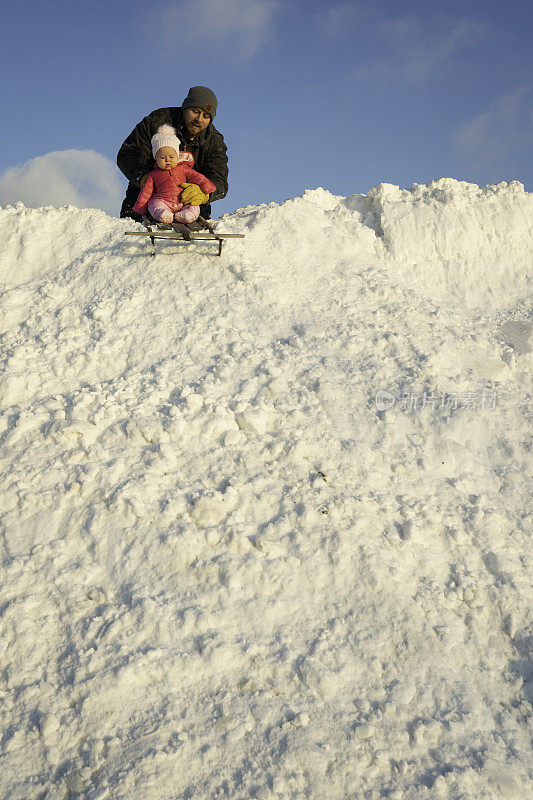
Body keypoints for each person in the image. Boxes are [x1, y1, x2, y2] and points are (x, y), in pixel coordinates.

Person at [117, 86, 228, 221]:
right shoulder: (157, 122)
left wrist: (205, 194)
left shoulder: (214, 142)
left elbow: (219, 179)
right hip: (144, 195)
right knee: (134, 238)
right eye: (195, 111)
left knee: (194, 239)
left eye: (206, 116)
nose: (199, 119)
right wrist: (145, 178)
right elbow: (128, 154)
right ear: (185, 108)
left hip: (189, 202)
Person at [132, 124, 216, 223]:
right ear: (156, 158)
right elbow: (146, 192)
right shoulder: (153, 174)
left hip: (183, 201)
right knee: (154, 203)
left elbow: (197, 177)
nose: (167, 160)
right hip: (163, 201)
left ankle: (187, 215)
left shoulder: (184, 169)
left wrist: (206, 187)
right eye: (162, 158)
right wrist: (140, 208)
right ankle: (163, 214)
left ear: (177, 156)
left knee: (194, 205)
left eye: (171, 157)